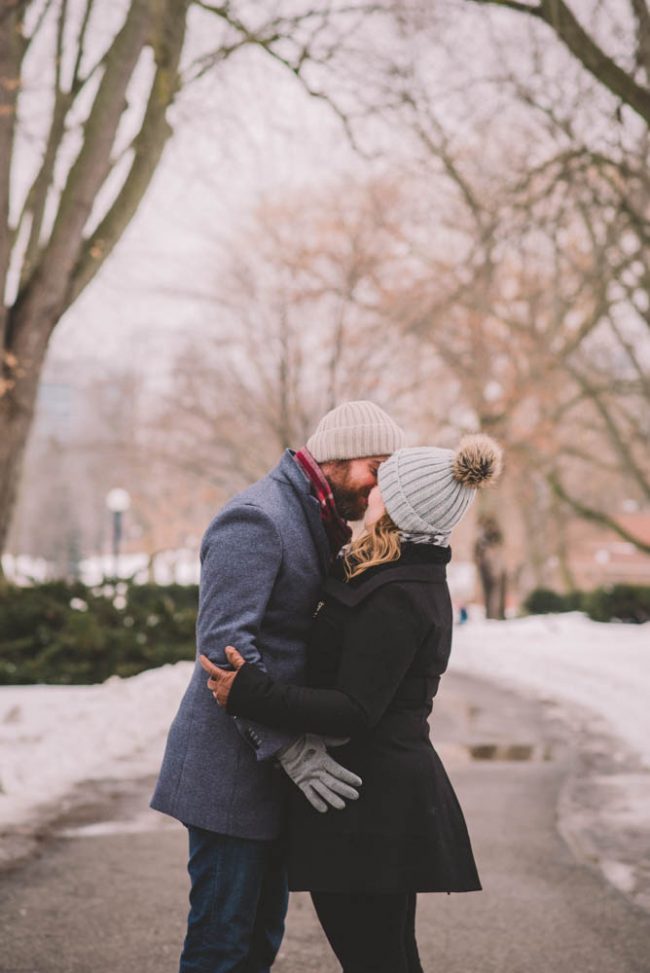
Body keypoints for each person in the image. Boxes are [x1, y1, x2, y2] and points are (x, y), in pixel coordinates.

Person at [201, 434, 503, 973]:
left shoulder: (397, 593)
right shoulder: (397, 573)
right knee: (383, 956)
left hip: (370, 807)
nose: (373, 490)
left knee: (376, 958)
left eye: (387, 484)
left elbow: (355, 709)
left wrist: (249, 691)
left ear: (403, 508)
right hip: (368, 799)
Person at [150, 400, 406, 973]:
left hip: (274, 775)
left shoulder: (320, 514)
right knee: (222, 944)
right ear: (337, 459)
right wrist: (289, 746)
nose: (380, 484)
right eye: (375, 467)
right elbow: (222, 652)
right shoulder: (256, 517)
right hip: (232, 772)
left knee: (260, 940)